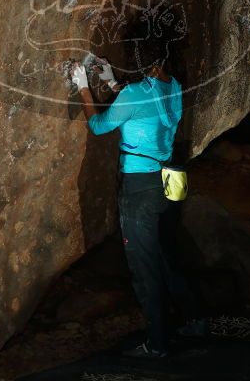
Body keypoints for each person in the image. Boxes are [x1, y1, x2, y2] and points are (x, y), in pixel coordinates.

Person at [71, 32, 202, 358]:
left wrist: (84, 86)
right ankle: (195, 320)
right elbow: (145, 106)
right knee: (166, 254)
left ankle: (157, 344)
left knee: (144, 266)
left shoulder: (133, 93)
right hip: (171, 178)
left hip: (140, 185)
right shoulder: (172, 85)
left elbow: (100, 126)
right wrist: (113, 81)